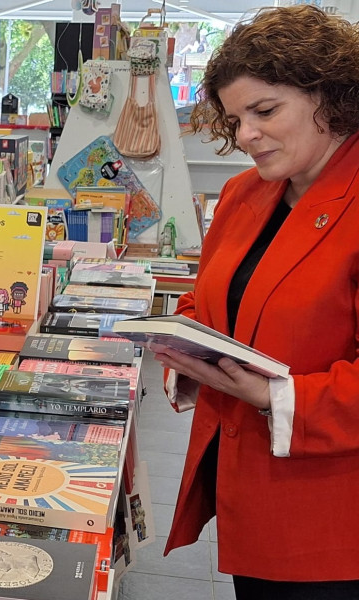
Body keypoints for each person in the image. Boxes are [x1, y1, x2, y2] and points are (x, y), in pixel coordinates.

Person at [154, 6, 359, 598]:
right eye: (235, 118)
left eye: (265, 111)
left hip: (331, 524)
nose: (245, 135)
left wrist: (274, 394)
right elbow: (206, 300)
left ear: (330, 94)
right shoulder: (247, 192)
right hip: (249, 494)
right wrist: (183, 344)